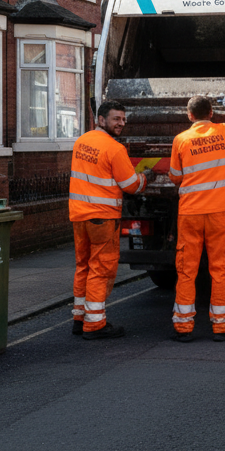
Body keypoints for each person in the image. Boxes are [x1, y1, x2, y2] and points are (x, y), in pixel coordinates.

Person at [68, 100, 157, 340]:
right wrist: (146, 177)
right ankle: (95, 324)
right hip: (102, 218)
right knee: (101, 268)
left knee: (83, 266)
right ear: (100, 119)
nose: (121, 123)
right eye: (116, 119)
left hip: (79, 215)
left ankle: (80, 318)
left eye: (123, 119)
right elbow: (130, 185)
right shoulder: (114, 149)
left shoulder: (81, 142)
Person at [166, 94, 225, 342]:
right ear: (211, 113)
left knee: (186, 270)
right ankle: (222, 327)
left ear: (190, 116)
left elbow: (175, 176)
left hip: (189, 213)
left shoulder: (180, 139)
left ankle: (183, 328)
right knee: (220, 269)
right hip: (218, 213)